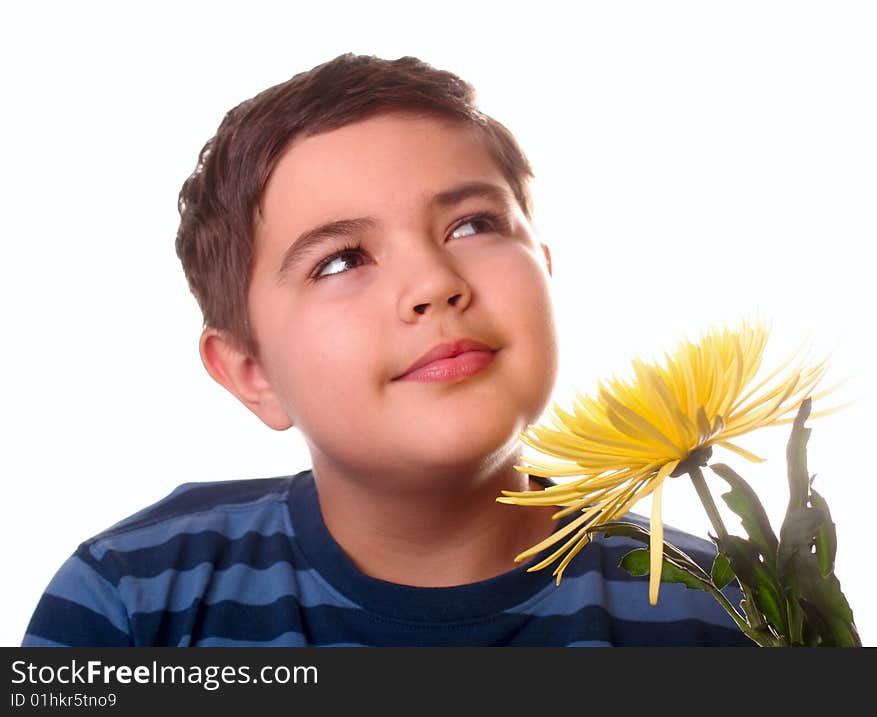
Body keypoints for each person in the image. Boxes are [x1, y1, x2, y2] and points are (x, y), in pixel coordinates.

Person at [22, 53, 752, 647]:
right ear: (252, 373)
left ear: (547, 269)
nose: (434, 284)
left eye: (471, 225)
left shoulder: (730, 607)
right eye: (341, 260)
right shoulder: (129, 600)